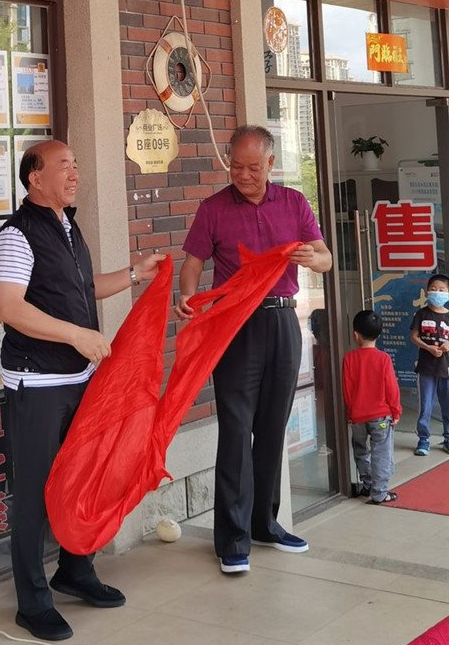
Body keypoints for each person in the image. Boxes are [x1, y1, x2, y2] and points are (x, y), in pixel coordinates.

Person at [0, 139, 164, 640]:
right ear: (34, 177)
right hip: (38, 382)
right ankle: (32, 602)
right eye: (63, 165)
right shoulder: (16, 234)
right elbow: (10, 307)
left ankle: (75, 570)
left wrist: (134, 274)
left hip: (79, 380)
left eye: (76, 164)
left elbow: (82, 290)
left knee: (82, 478)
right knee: (34, 494)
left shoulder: (69, 226)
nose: (74, 173)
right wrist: (76, 335)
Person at [174, 125, 332, 574]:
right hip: (234, 324)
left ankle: (265, 523)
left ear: (270, 163)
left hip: (282, 320)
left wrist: (312, 258)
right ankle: (232, 539)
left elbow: (325, 257)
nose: (243, 175)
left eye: (252, 167)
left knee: (272, 426)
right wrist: (186, 296)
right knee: (236, 428)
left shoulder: (294, 203)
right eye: (236, 166)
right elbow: (192, 264)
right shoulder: (214, 209)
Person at [342, 310, 401, 505]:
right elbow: (391, 388)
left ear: (355, 335)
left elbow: (347, 389)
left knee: (360, 450)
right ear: (379, 334)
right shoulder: (383, 358)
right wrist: (396, 411)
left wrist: (350, 412)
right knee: (381, 452)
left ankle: (367, 483)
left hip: (357, 417)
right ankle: (379, 492)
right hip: (381, 416)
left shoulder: (349, 358)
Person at [410, 273, 449, 456]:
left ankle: (447, 438)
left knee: (447, 405)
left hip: (446, 368)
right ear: (427, 292)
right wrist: (428, 348)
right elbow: (414, 337)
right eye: (433, 289)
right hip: (426, 367)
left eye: (442, 290)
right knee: (425, 406)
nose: (437, 292)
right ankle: (423, 440)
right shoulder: (421, 313)